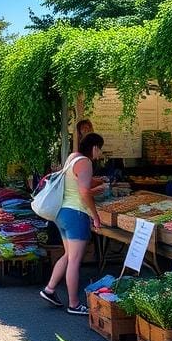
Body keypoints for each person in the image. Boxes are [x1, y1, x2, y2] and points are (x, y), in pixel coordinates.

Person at [39, 132, 106, 315]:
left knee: (68, 255)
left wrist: (96, 182)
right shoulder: (86, 162)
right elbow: (84, 192)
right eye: (100, 149)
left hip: (62, 214)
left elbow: (77, 180)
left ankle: (50, 290)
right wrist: (95, 215)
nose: (100, 153)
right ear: (94, 147)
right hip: (76, 214)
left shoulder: (73, 157)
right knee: (75, 261)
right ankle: (74, 304)